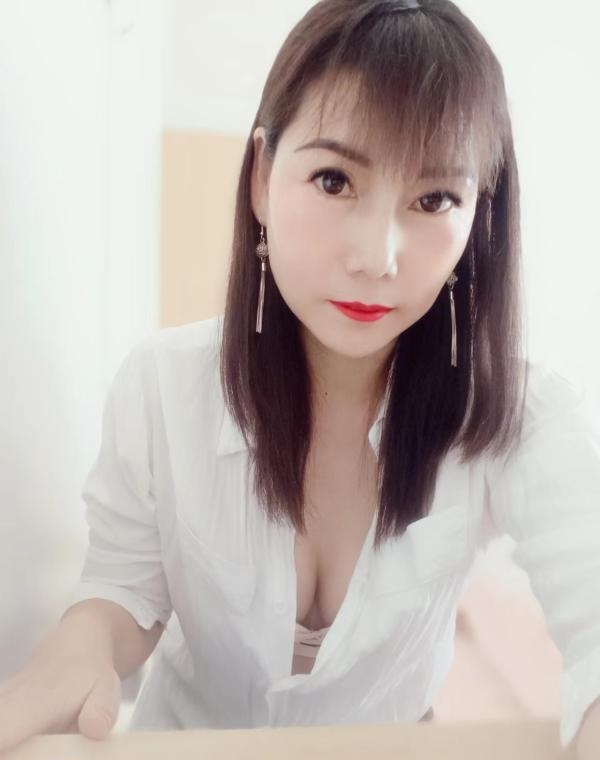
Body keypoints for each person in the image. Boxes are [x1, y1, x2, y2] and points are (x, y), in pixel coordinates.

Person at [1, 0, 599, 756]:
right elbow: (121, 588)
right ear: (261, 177)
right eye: (334, 180)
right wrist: (75, 652)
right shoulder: (162, 387)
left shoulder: (518, 413)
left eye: (433, 199)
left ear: (478, 216)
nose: (377, 257)